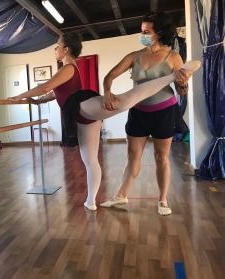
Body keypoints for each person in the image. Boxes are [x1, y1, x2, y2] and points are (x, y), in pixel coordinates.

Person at [9, 33, 200, 211]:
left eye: (57, 46)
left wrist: (20, 95)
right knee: (90, 159)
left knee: (124, 101)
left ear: (66, 49)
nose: (55, 50)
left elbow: (46, 86)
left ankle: (172, 76)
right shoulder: (66, 68)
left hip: (84, 106)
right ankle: (90, 201)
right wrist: (34, 100)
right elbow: (53, 93)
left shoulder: (68, 67)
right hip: (81, 116)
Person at [100, 12, 191, 215]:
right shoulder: (135, 56)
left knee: (161, 157)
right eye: (142, 31)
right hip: (138, 112)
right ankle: (121, 196)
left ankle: (162, 200)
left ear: (158, 33)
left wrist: (183, 85)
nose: (142, 34)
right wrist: (107, 92)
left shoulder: (173, 57)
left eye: (146, 31)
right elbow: (109, 75)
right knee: (133, 157)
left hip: (165, 112)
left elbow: (182, 91)